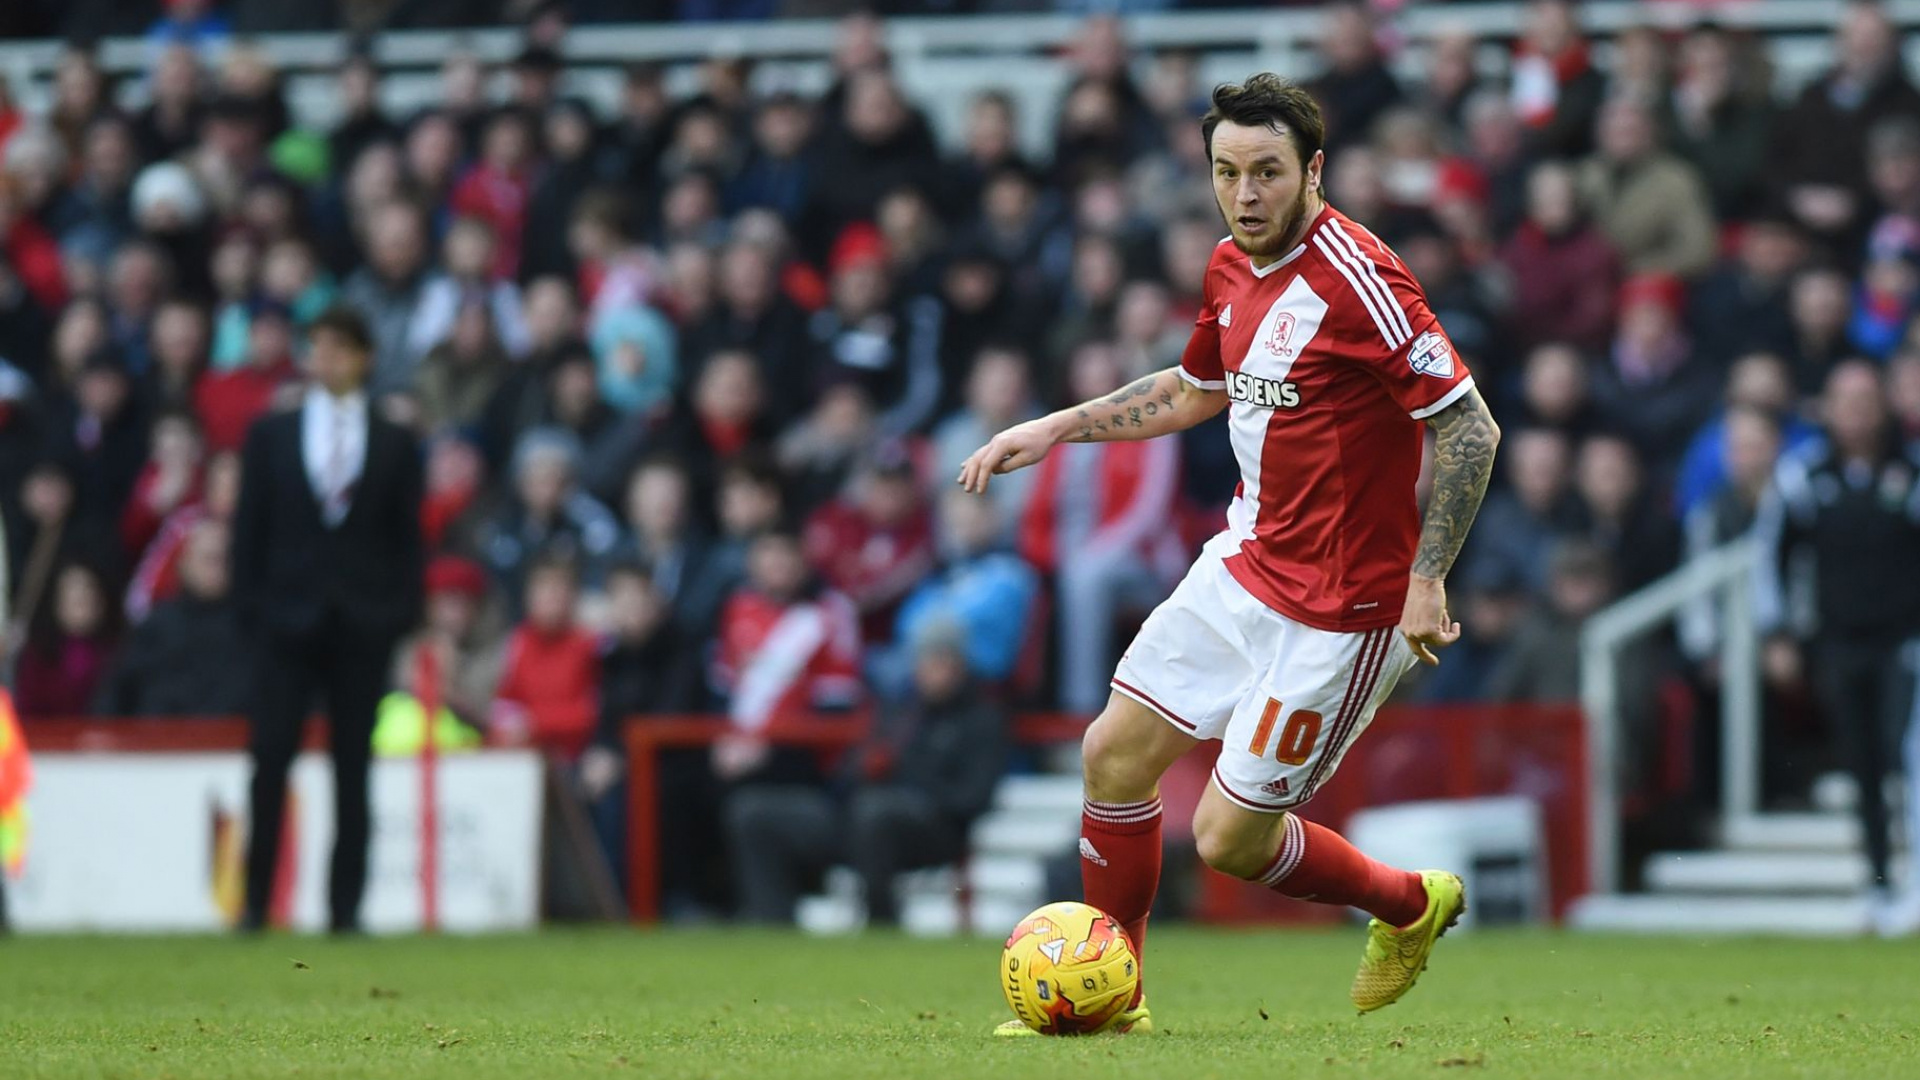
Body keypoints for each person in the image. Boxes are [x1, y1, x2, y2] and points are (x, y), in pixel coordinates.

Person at [960, 75, 1500, 1030]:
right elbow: (1194, 389)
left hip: (1344, 611)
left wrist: (1427, 579)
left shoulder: (1362, 279)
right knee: (1111, 756)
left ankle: (1409, 904)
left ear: (1314, 170)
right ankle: (1117, 995)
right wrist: (1056, 427)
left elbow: (1469, 428)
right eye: (1226, 172)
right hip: (1245, 566)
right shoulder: (1228, 266)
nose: (1245, 195)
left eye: (1267, 172)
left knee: (1227, 840)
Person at [231, 305, 423, 934]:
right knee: (269, 761)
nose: (327, 360)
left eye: (340, 348)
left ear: (365, 358)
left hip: (361, 625)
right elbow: (249, 530)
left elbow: (407, 539)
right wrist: (252, 611)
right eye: (318, 347)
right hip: (284, 623)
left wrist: (398, 615)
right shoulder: (271, 434)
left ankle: (346, 909)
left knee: (354, 769)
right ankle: (256, 904)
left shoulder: (395, 440)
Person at [1755, 361, 1920, 935]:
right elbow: (1771, 556)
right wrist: (1776, 633)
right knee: (1862, 765)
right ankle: (1879, 884)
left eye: (1865, 400)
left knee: (1906, 753)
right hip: (1838, 642)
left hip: (1905, 640)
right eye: (1844, 401)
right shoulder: (1804, 476)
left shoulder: (1909, 469)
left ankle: (1916, 881)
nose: (1856, 413)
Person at [727, 621, 1008, 926]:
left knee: (874, 812)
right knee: (753, 810)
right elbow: (848, 774)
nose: (931, 669)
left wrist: (904, 780)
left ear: (961, 664)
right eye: (925, 659)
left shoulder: (982, 719)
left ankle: (880, 923)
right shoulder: (898, 709)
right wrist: (859, 770)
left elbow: (972, 798)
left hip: (931, 830)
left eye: (941, 659)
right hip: (852, 814)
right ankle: (773, 923)